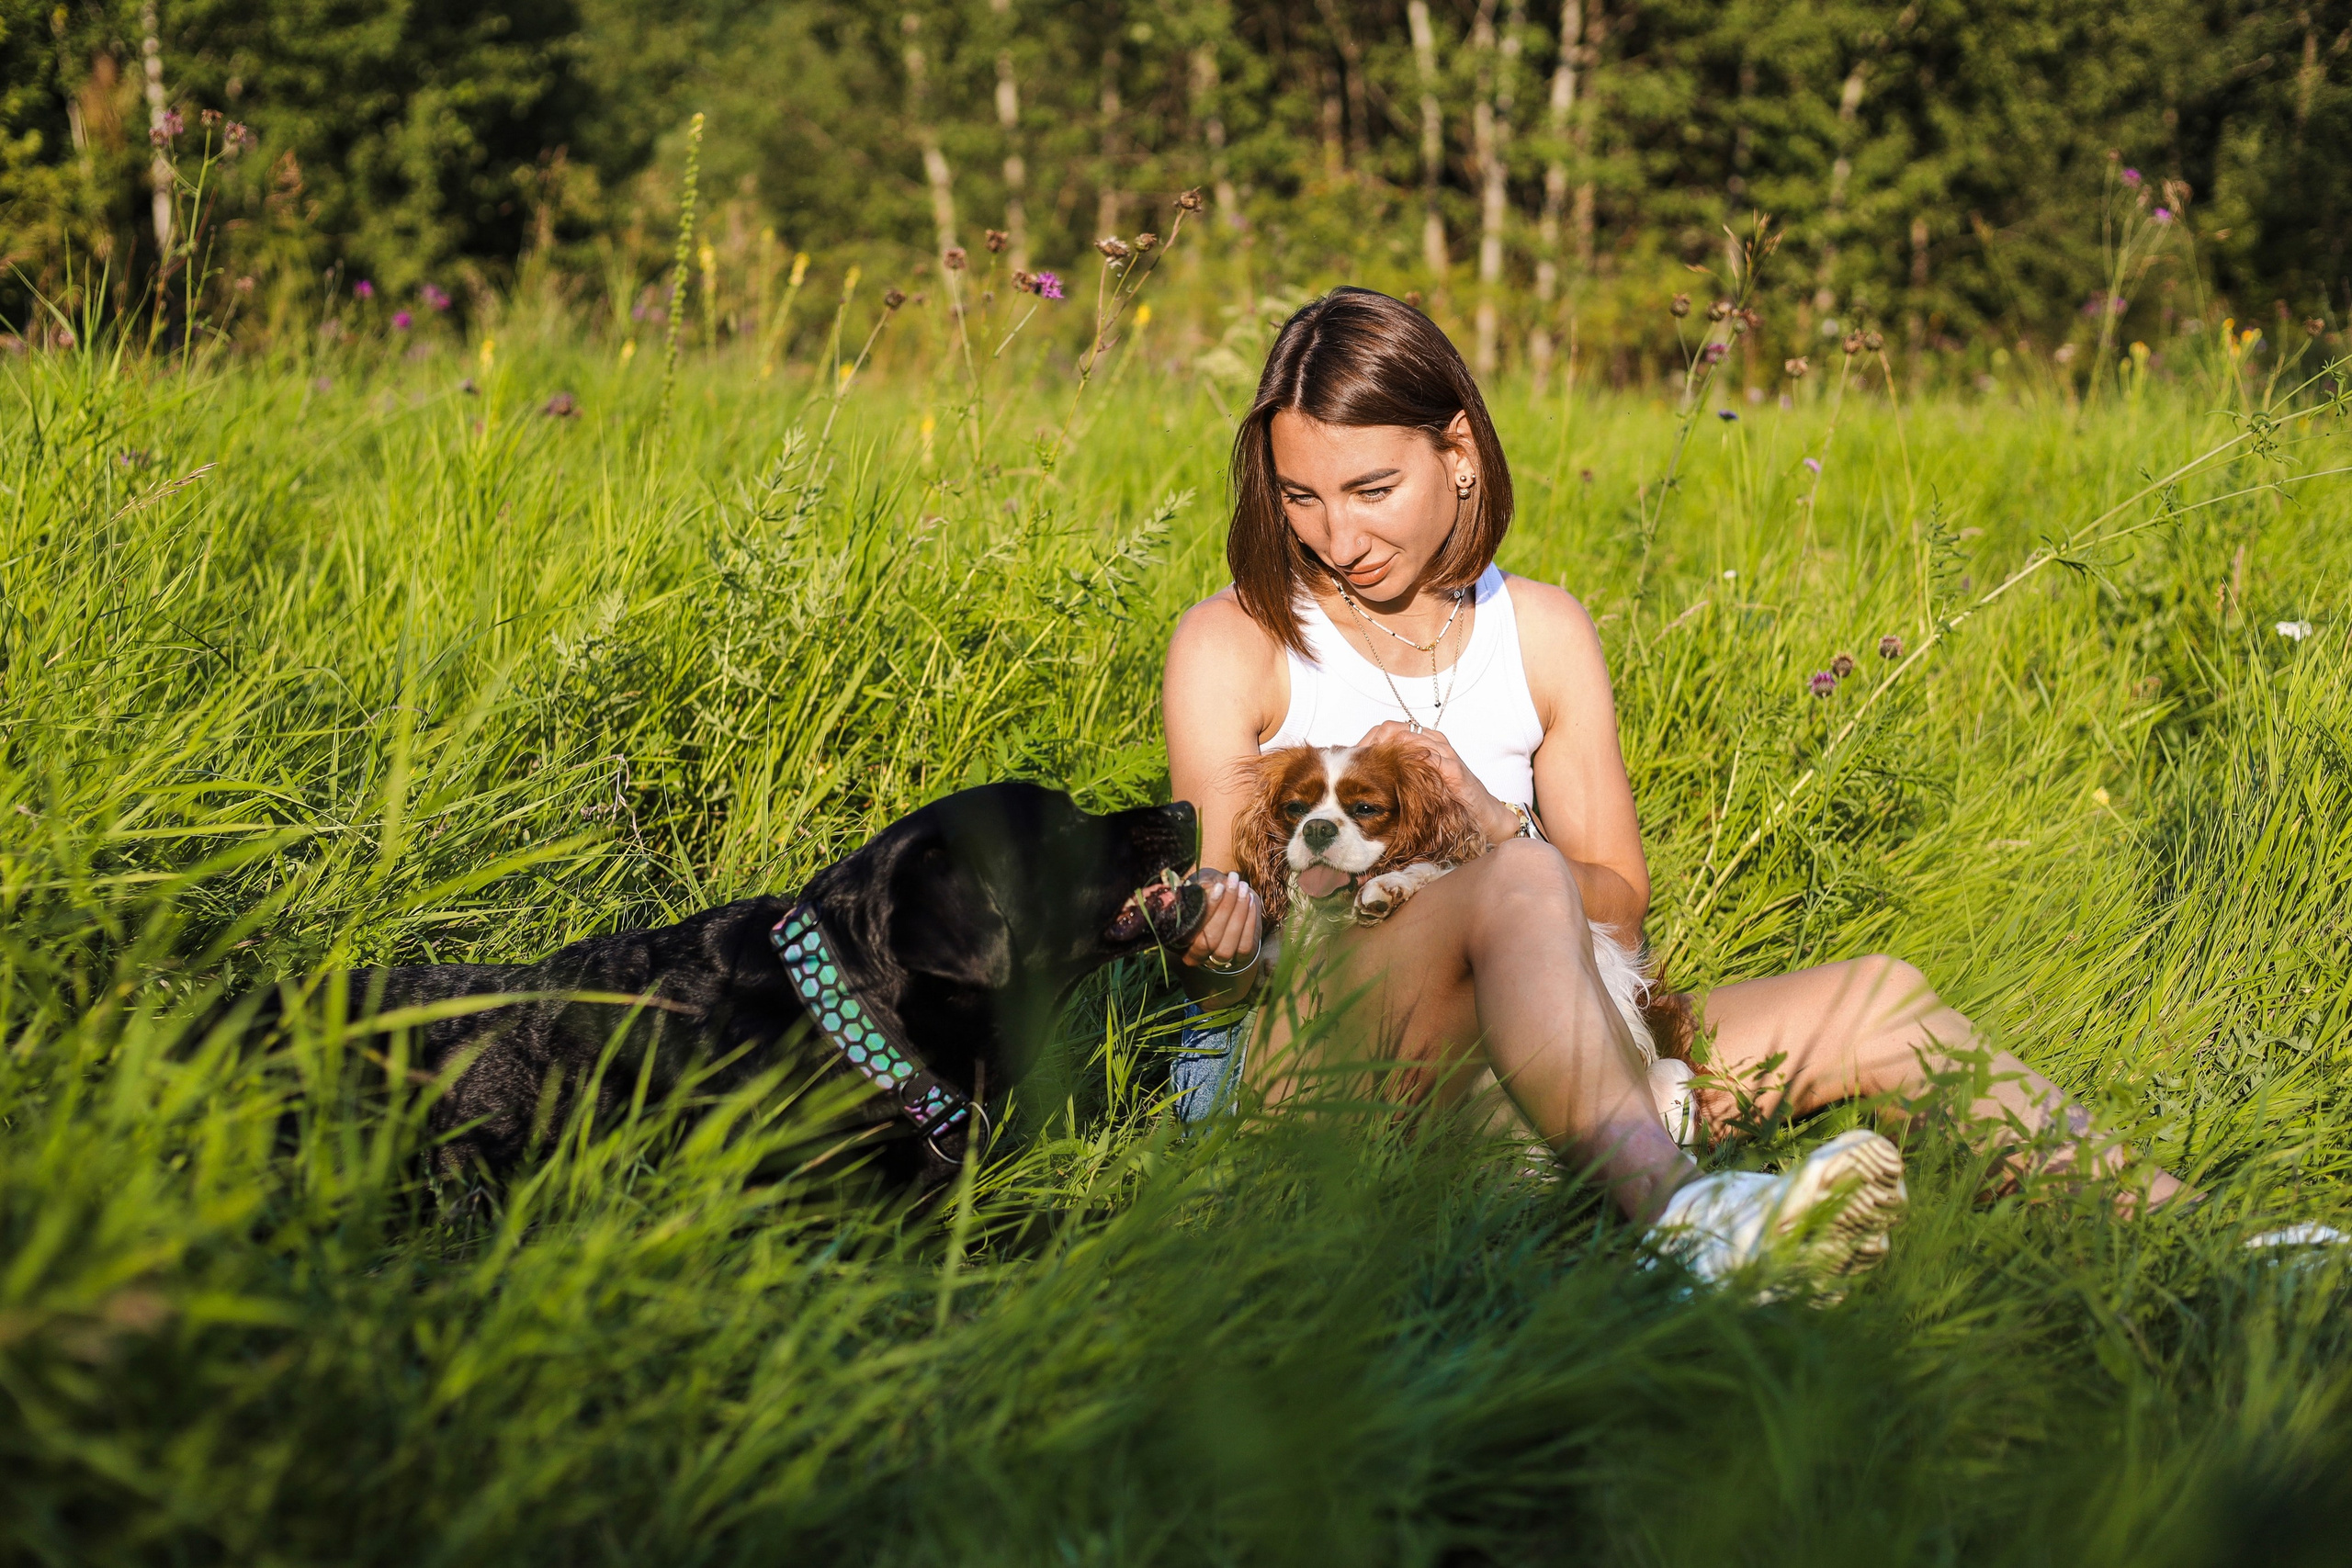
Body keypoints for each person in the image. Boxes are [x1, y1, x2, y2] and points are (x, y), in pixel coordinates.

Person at [1159, 287, 2191, 1288]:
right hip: (1317, 1069)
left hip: (1556, 1043)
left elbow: (1616, 901)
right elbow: (1223, 978)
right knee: (1522, 883)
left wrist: (1489, 822)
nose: (1335, 538)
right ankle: (1691, 1216)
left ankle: (2209, 1246)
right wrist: (1220, 929)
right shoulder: (1236, 641)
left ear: (1460, 454)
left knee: (1877, 998)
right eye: (1301, 498)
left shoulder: (1544, 633)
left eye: (1369, 490)